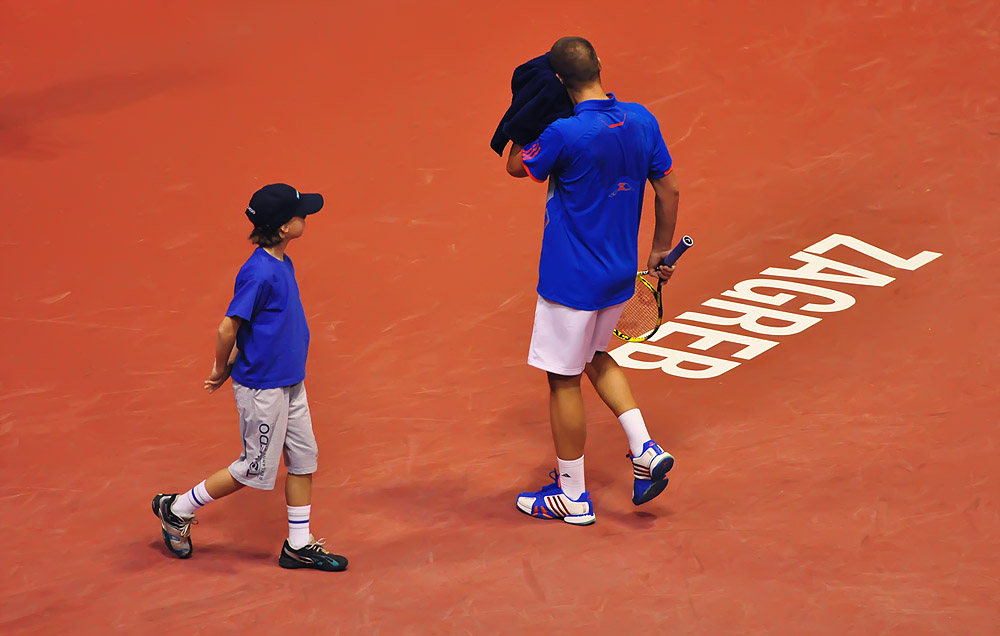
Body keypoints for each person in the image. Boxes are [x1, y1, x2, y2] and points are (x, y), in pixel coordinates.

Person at [505, 37, 681, 525]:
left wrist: (526, 115)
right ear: (600, 65)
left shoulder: (563, 133)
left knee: (562, 378)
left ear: (560, 83)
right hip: (619, 275)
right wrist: (659, 251)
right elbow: (668, 187)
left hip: (572, 282)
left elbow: (517, 165)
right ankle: (644, 448)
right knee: (595, 357)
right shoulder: (643, 119)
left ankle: (572, 494)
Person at [151, 183, 348, 570]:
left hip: (290, 382)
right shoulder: (258, 273)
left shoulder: (282, 262)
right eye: (300, 213)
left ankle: (298, 544)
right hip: (264, 389)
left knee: (304, 461)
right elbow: (229, 326)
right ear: (283, 227)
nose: (305, 216)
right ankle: (177, 508)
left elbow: (263, 328)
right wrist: (221, 366)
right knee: (253, 469)